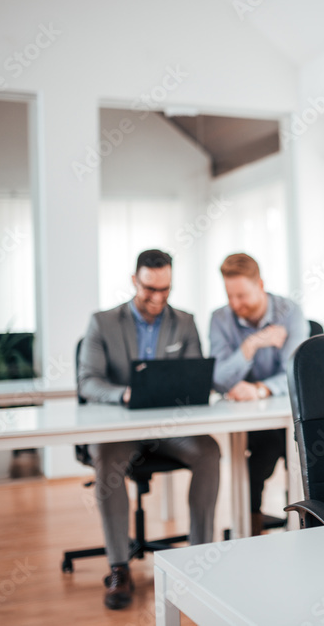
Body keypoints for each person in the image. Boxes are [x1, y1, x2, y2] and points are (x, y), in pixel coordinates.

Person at [78, 249, 221, 610]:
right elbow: (87, 382)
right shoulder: (102, 323)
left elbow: (194, 376)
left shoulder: (184, 322)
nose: (157, 298)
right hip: (121, 429)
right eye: (149, 289)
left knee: (209, 452)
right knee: (107, 461)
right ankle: (118, 566)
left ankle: (198, 557)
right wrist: (121, 394)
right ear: (134, 281)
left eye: (165, 289)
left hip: (171, 426)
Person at [209, 253, 309, 535]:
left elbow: (294, 371)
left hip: (284, 411)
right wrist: (250, 345)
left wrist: (260, 389)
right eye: (230, 295)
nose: (235, 304)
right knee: (264, 448)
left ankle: (304, 521)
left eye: (242, 295)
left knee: (296, 446)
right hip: (247, 418)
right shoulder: (220, 319)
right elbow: (218, 379)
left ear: (260, 284)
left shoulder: (289, 312)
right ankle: (251, 525)